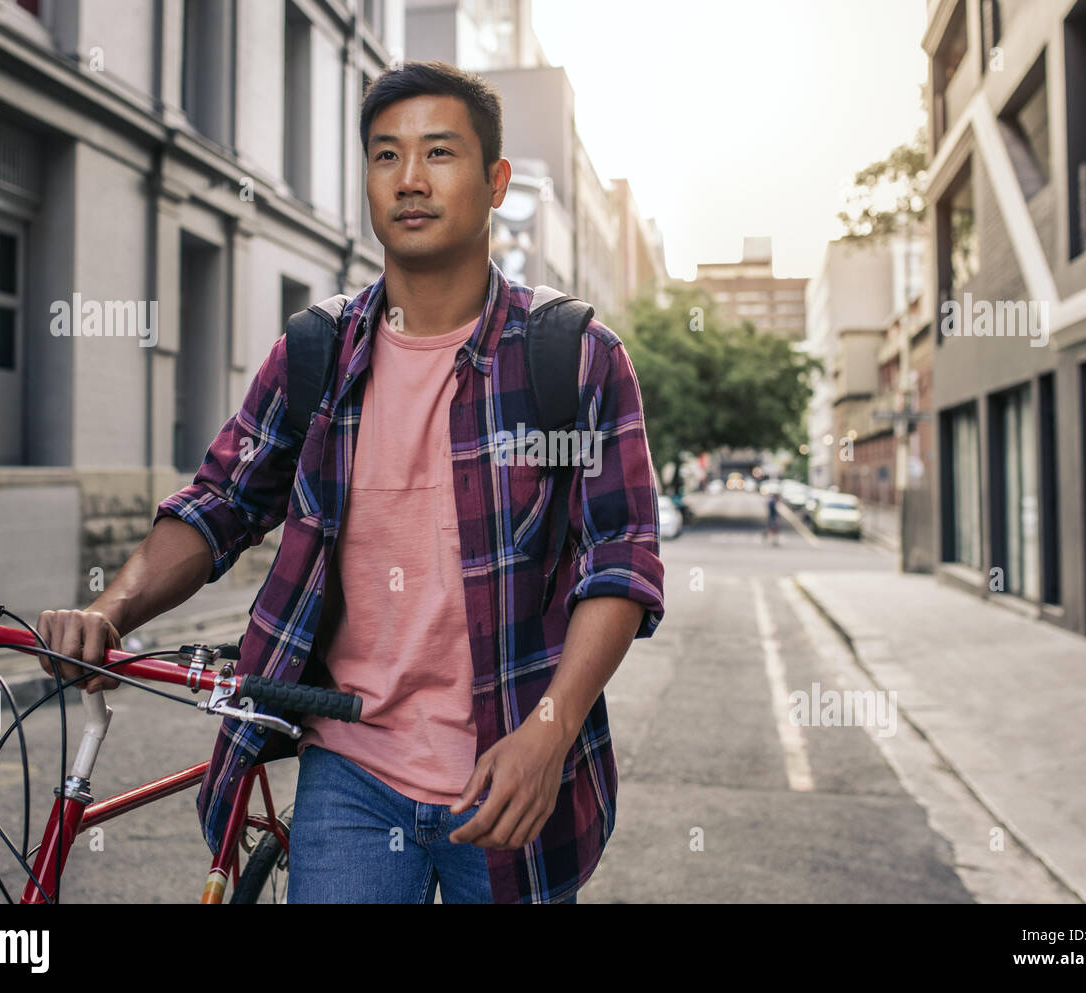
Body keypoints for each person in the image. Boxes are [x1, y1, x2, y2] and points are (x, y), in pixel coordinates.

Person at [35, 60, 665, 905]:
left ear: (496, 181)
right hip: (351, 777)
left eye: (439, 153)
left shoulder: (573, 357)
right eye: (384, 156)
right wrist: (110, 611)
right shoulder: (318, 353)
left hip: (510, 776)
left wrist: (547, 733)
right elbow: (218, 503)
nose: (409, 179)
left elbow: (619, 560)